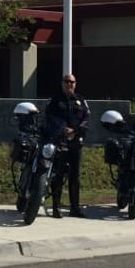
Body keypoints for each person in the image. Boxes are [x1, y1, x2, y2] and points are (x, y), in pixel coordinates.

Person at [45, 73, 89, 218]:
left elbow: (86, 119)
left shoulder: (81, 100)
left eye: (72, 82)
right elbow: (50, 118)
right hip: (60, 141)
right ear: (62, 83)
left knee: (74, 176)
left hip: (76, 142)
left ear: (75, 84)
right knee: (58, 175)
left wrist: (75, 131)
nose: (69, 84)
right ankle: (56, 207)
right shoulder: (55, 100)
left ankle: (75, 208)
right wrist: (63, 130)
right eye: (67, 81)